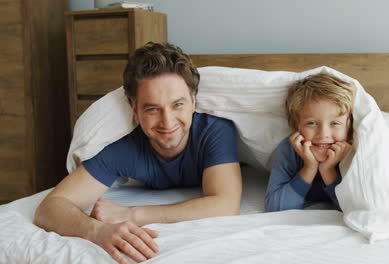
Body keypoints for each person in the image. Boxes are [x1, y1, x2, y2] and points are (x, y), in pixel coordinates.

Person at [34, 42, 242, 264]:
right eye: (152, 108)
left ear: (193, 102)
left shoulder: (214, 130)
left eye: (177, 105)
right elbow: (49, 208)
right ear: (134, 109)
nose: (167, 121)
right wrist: (96, 231)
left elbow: (225, 204)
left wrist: (132, 214)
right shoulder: (123, 147)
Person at [264, 73, 354, 212]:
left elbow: (353, 207)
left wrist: (328, 170)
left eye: (335, 123)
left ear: (349, 129)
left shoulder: (353, 154)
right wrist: (309, 167)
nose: (323, 134)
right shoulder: (288, 150)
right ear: (295, 127)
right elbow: (276, 208)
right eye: (311, 123)